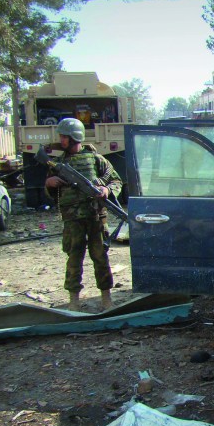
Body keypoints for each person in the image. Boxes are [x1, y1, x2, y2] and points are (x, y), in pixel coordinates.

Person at [44, 118, 123, 311]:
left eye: (64, 136)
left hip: (96, 217)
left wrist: (106, 190)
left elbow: (116, 180)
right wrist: (49, 183)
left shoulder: (96, 159)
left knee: (100, 258)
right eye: (61, 136)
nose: (61, 140)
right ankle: (74, 301)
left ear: (74, 137)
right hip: (72, 220)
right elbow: (50, 193)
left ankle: (106, 299)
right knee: (74, 259)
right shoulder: (58, 164)